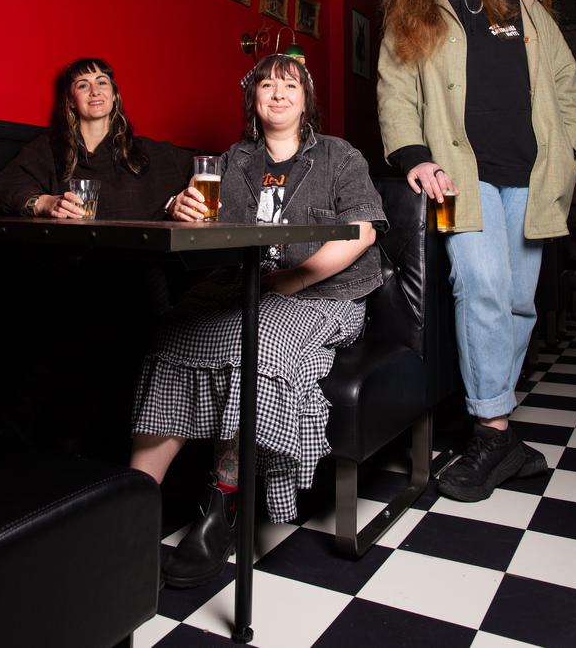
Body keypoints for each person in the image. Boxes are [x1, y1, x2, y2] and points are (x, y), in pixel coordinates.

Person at [130, 53, 387, 587]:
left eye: (289, 84)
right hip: (246, 288)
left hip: (325, 296)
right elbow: (204, 231)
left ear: (305, 99)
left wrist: (289, 282)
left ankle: (222, 504)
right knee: (173, 331)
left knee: (260, 336)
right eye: (266, 84)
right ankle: (130, 509)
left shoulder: (339, 156)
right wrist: (182, 208)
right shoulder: (232, 162)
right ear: (253, 99)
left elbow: (363, 231)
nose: (277, 93)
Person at [377, 0, 576, 503]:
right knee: (479, 284)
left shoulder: (527, 10)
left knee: (519, 302)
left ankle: (502, 435)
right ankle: (491, 430)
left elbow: (568, 89)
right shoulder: (412, 18)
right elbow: (395, 94)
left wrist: (568, 154)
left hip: (534, 180)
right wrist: (415, 157)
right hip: (458, 184)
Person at [0, 57, 193, 220]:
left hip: (142, 261)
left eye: (102, 82)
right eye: (83, 85)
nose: (95, 91)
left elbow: (204, 167)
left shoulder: (148, 152)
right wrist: (45, 203)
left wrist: (176, 203)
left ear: (114, 95)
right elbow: (3, 188)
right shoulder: (49, 148)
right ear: (70, 101)